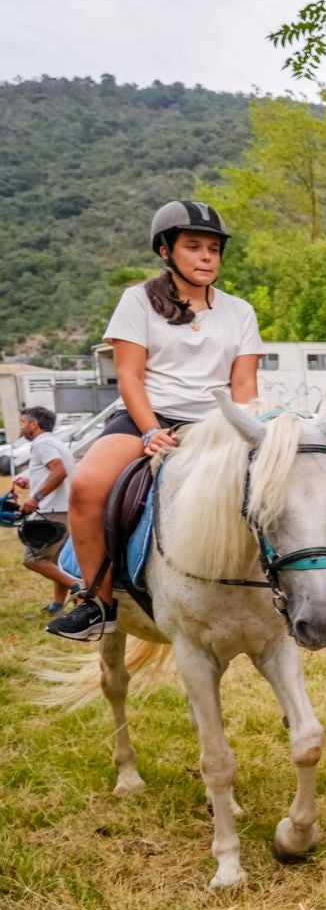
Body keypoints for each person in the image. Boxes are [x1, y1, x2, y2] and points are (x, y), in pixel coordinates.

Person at [48, 201, 264, 641]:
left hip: (217, 423)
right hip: (151, 417)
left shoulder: (239, 311)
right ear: (165, 251)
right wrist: (149, 431)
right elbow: (129, 375)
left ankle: (291, 587)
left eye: (213, 248)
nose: (206, 257)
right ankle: (97, 603)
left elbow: (244, 384)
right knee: (87, 488)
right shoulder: (137, 301)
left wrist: (250, 433)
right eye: (193, 247)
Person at [15, 406, 79, 612]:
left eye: (23, 422)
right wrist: (31, 481)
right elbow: (56, 471)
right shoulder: (56, 442)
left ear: (34, 424)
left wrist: (36, 497)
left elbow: (58, 471)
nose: (21, 427)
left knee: (34, 559)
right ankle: (57, 605)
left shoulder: (41, 444)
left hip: (51, 510)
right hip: (65, 508)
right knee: (58, 561)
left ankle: (79, 589)